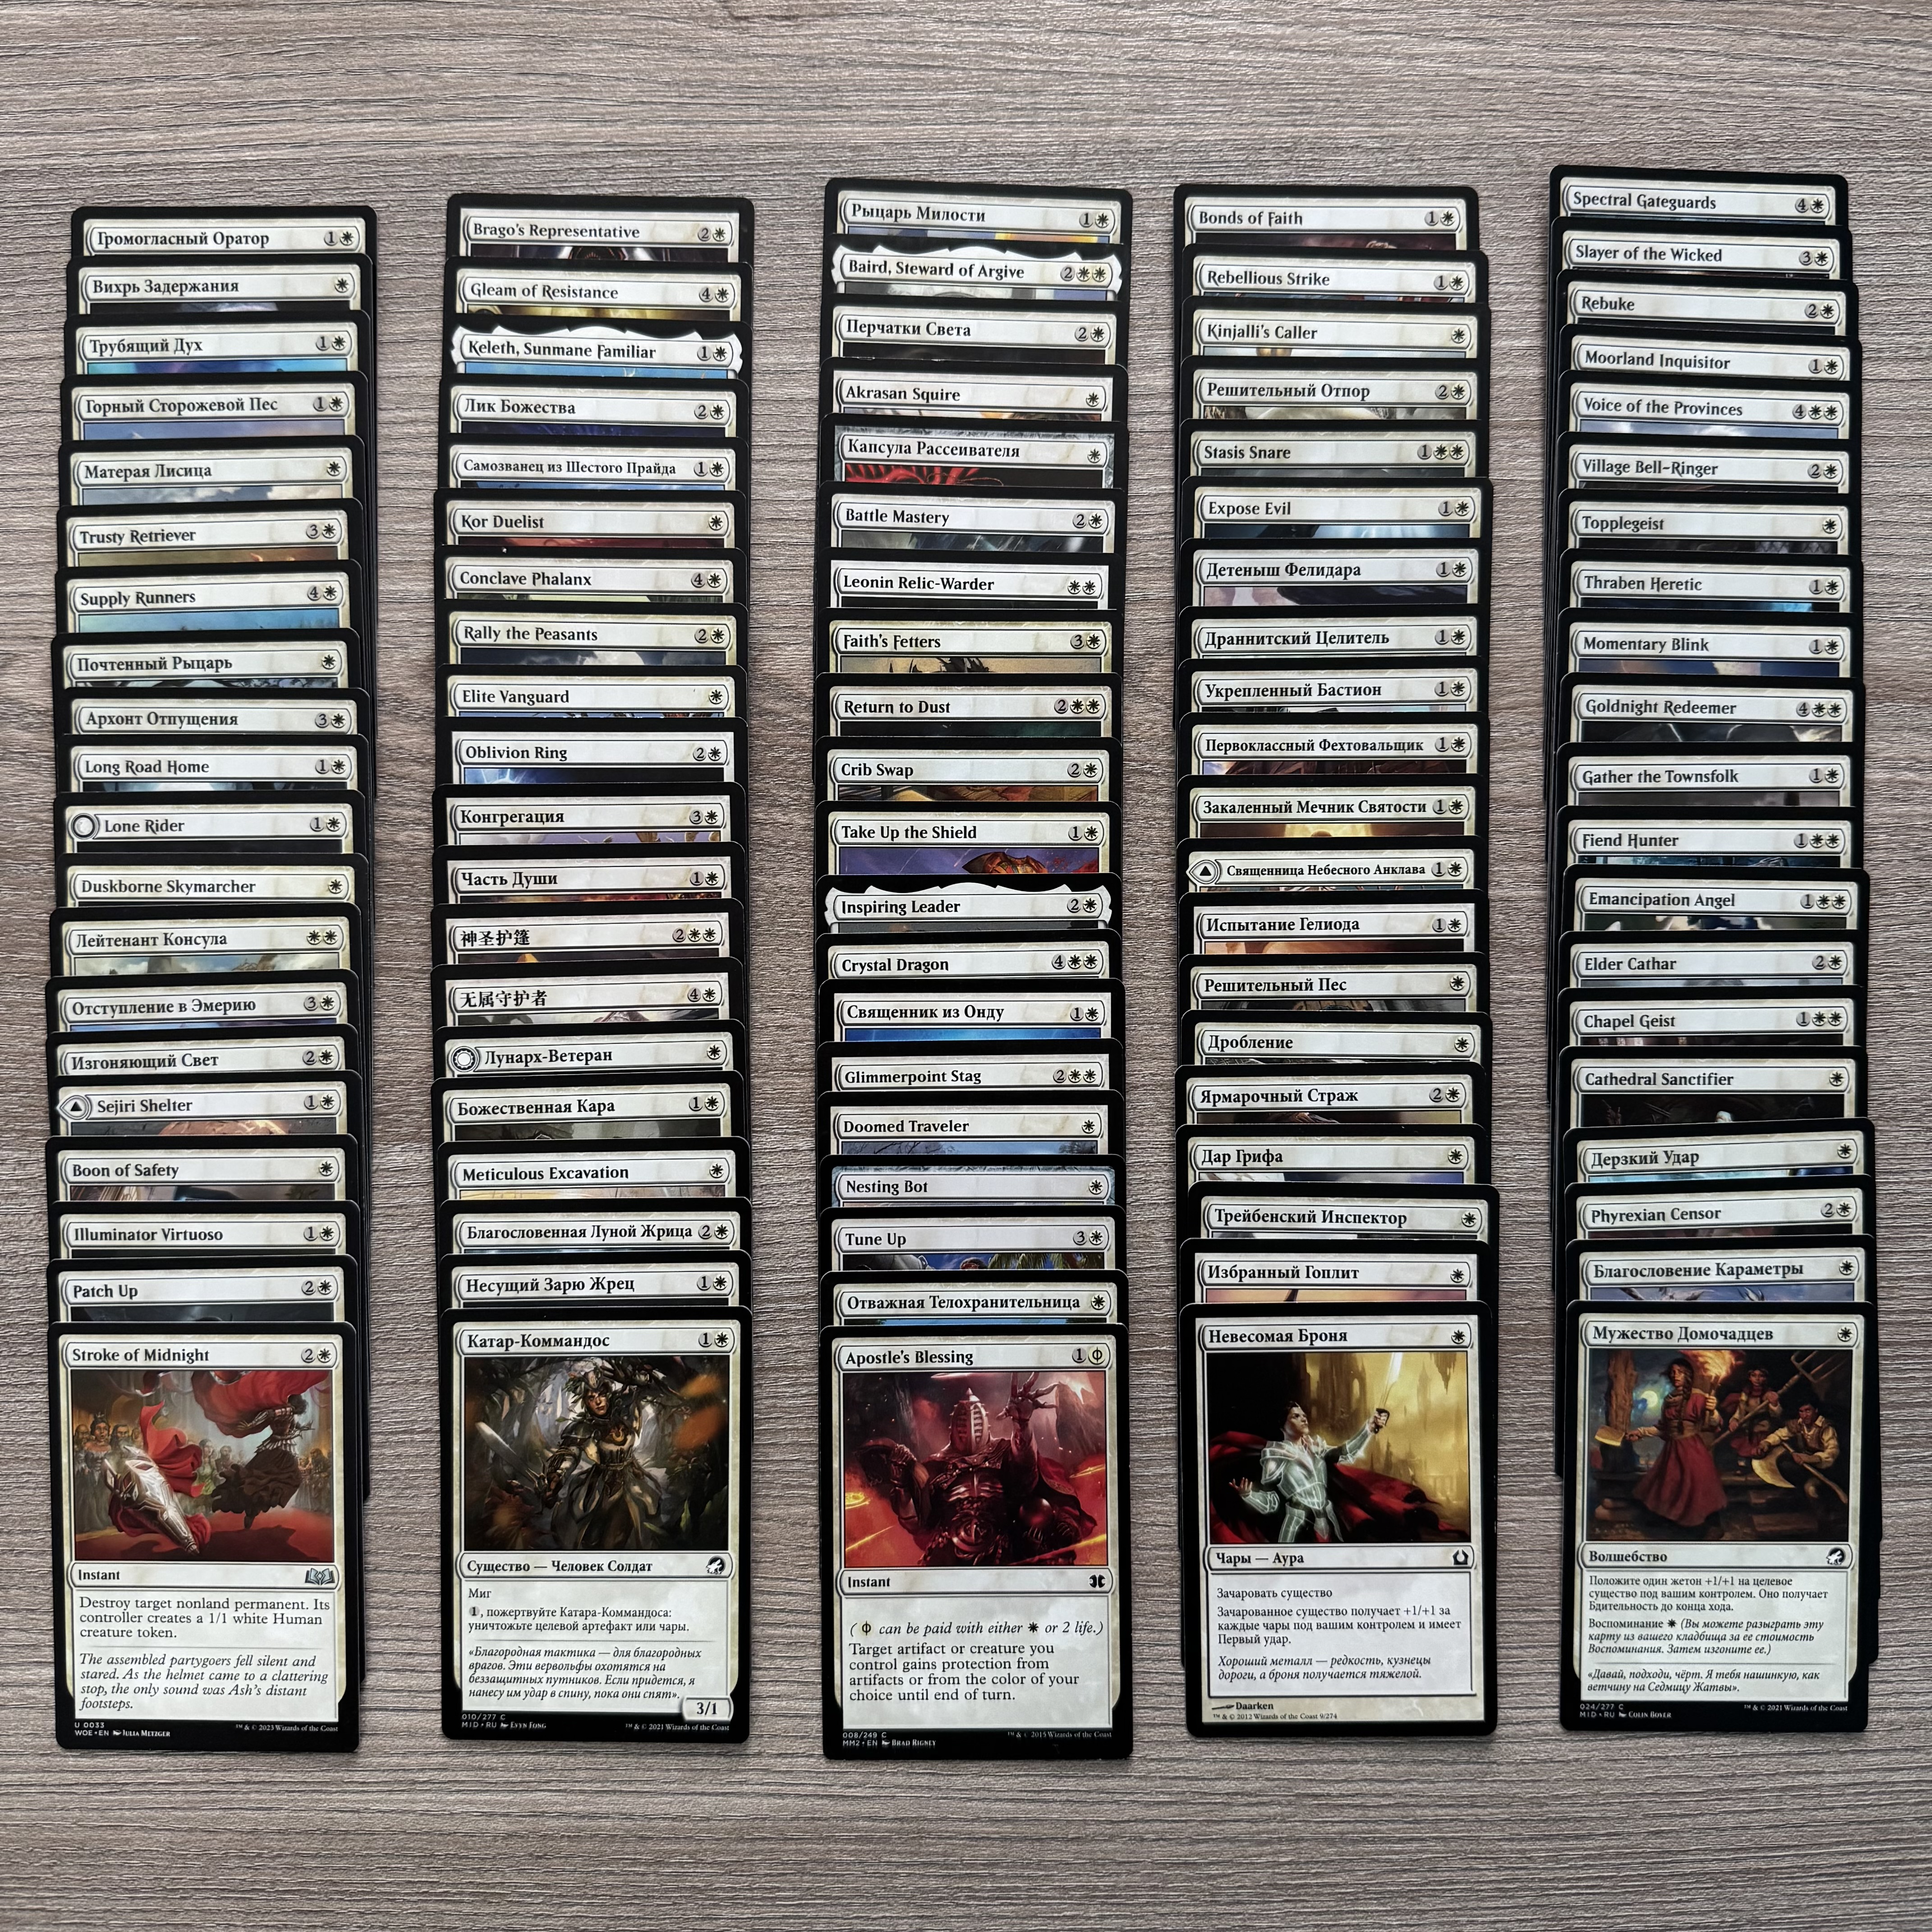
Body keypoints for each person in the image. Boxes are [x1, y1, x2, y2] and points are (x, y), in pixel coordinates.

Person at [1234, 1399, 1390, 1544]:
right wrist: (1249, 1495)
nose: (1304, 1419)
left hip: (1328, 1521)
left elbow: (1345, 1453)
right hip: (1297, 1526)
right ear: (1283, 1425)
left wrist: (1369, 1429)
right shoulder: (1276, 1455)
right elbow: (1272, 1503)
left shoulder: (1316, 1447)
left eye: (1304, 1415)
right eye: (1296, 1416)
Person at [1627, 1357, 1728, 1532]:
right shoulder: (1669, 1400)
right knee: (1669, 1485)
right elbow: (1664, 1429)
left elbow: (1712, 1424)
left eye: (1680, 1372)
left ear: (1688, 1375)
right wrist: (1641, 1432)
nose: (1675, 1376)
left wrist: (1713, 1412)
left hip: (1692, 1450)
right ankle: (1676, 1526)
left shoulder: (1698, 1397)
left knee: (1698, 1484)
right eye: (1673, 1372)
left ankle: (1705, 1527)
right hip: (1672, 1451)